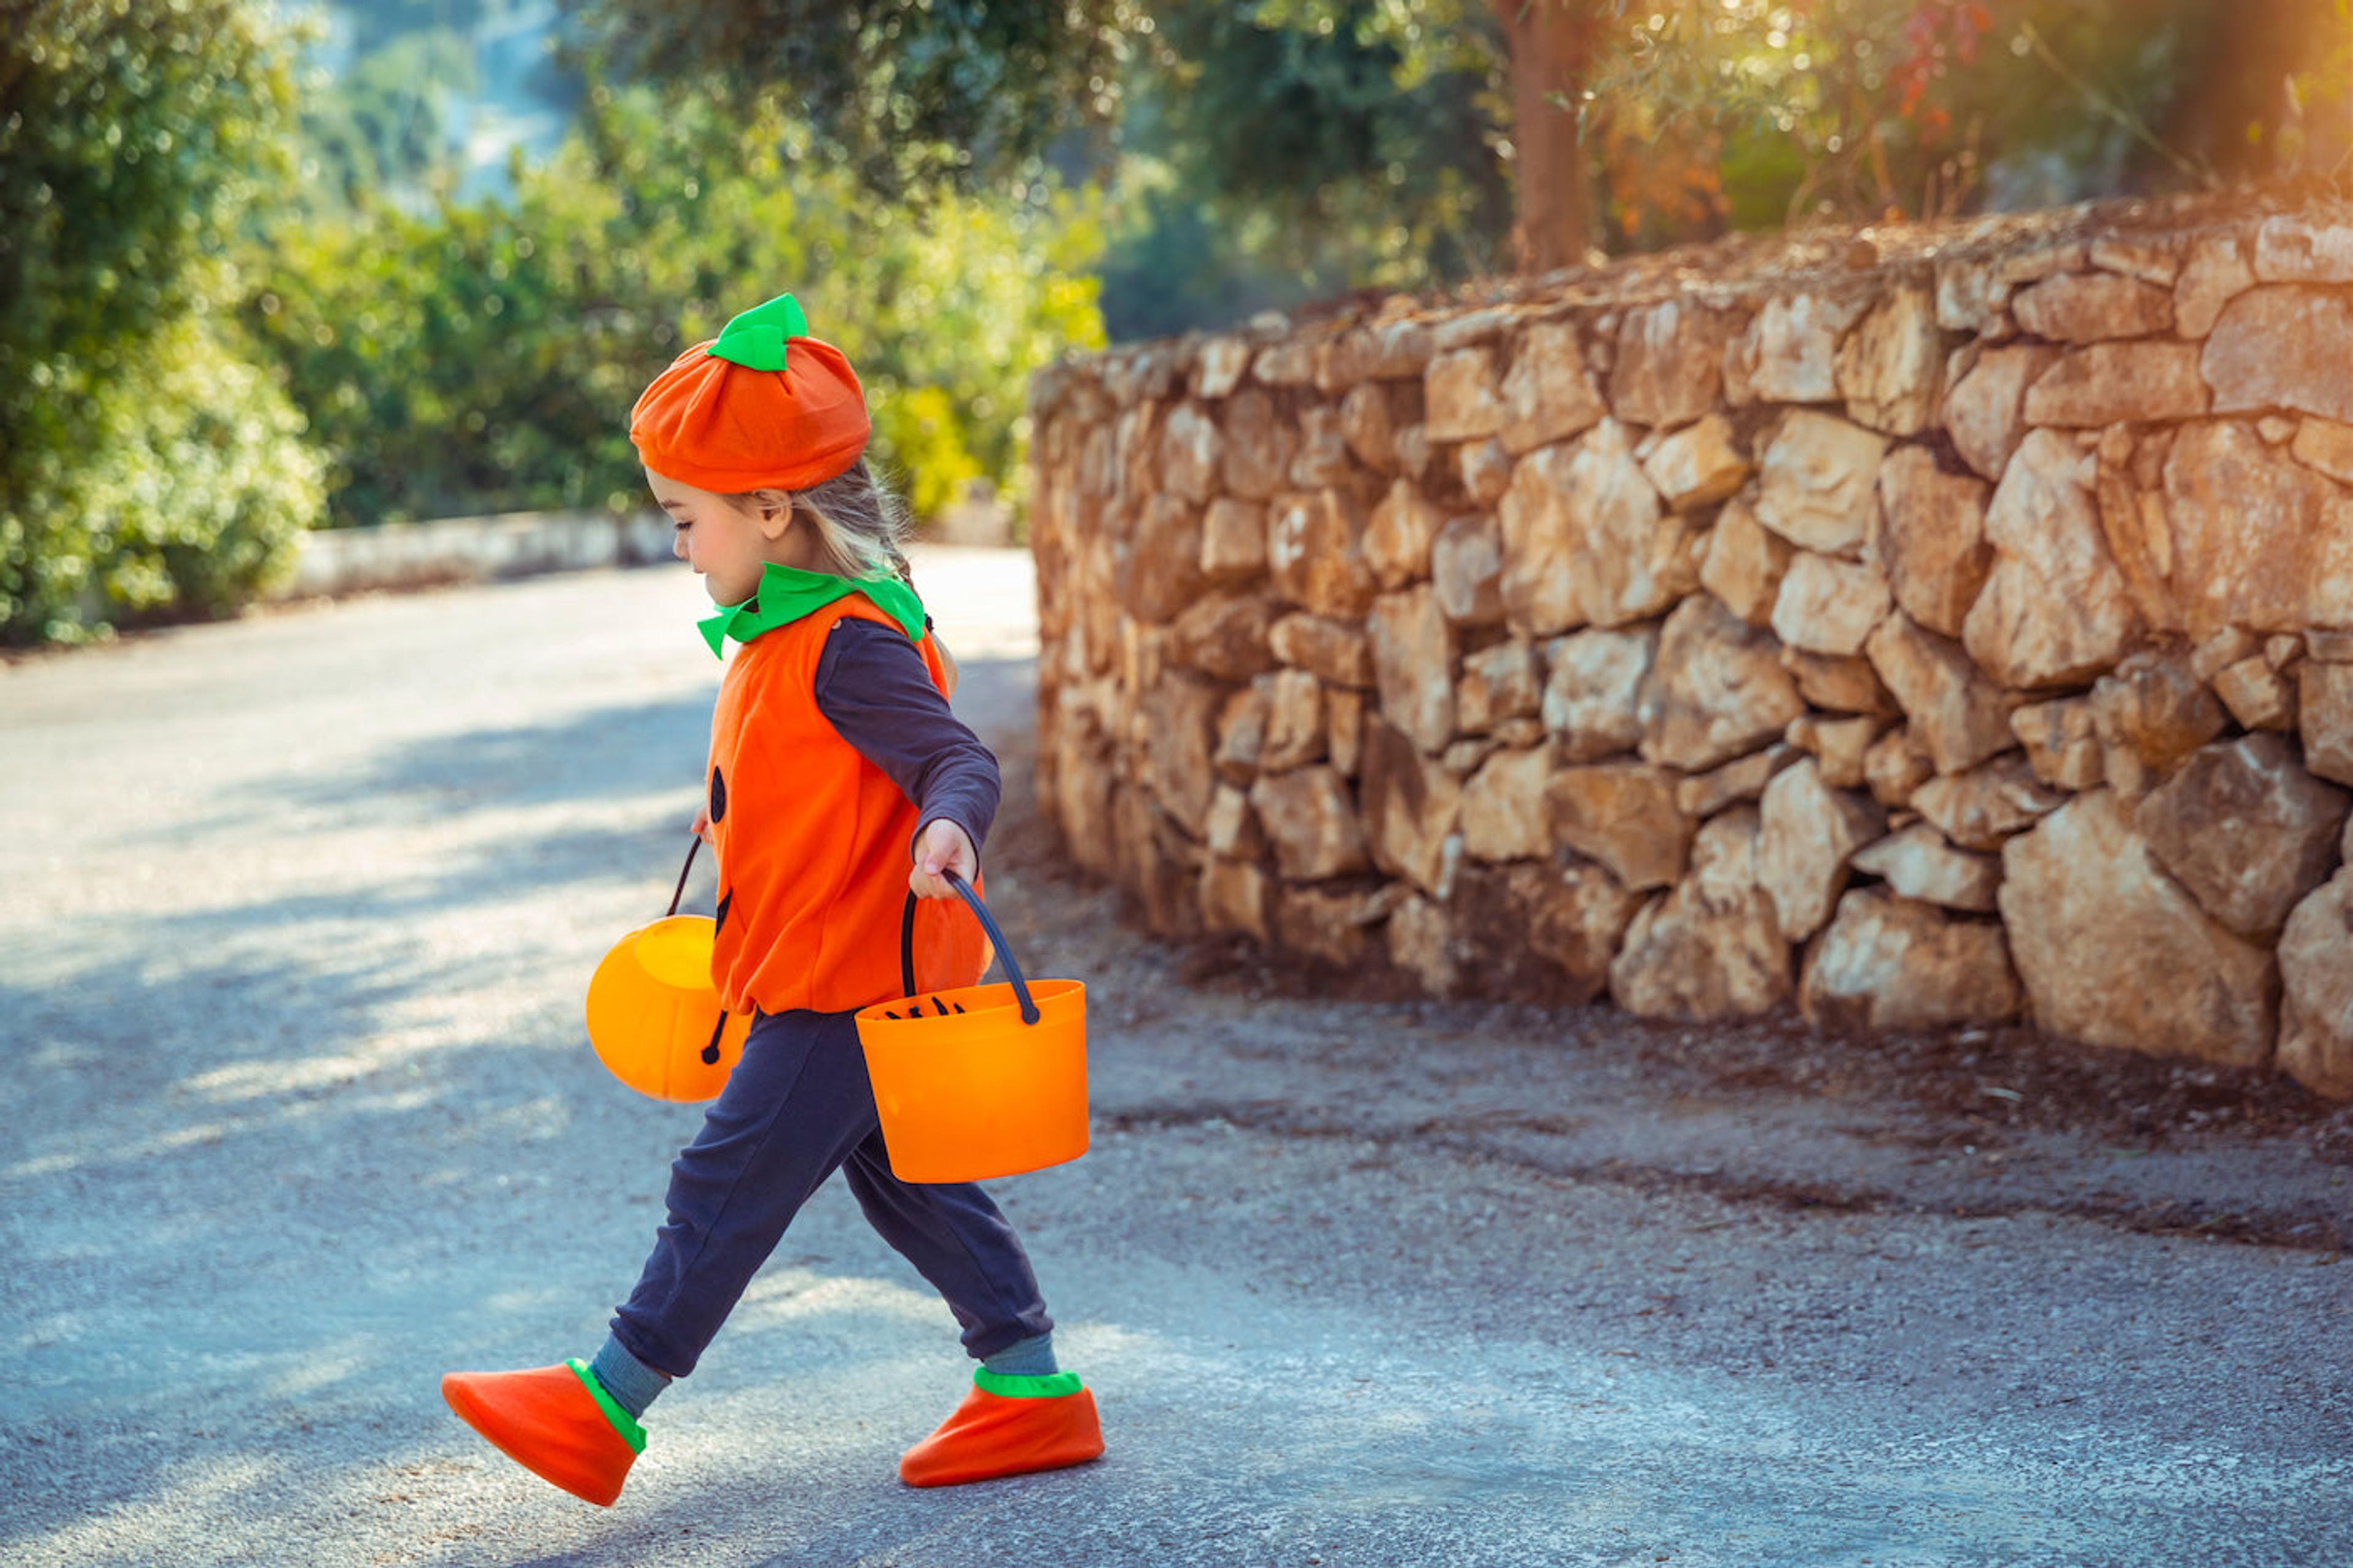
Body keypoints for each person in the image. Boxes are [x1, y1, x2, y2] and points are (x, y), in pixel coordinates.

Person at [439, 293, 1102, 1507]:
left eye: (687, 519)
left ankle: (604, 1403)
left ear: (771, 508)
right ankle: (1030, 1390)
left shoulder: (851, 641)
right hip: (831, 961)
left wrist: (950, 826)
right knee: (912, 1177)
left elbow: (958, 757)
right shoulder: (782, 634)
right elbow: (808, 777)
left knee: (725, 1181)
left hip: (845, 978)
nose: (682, 544)